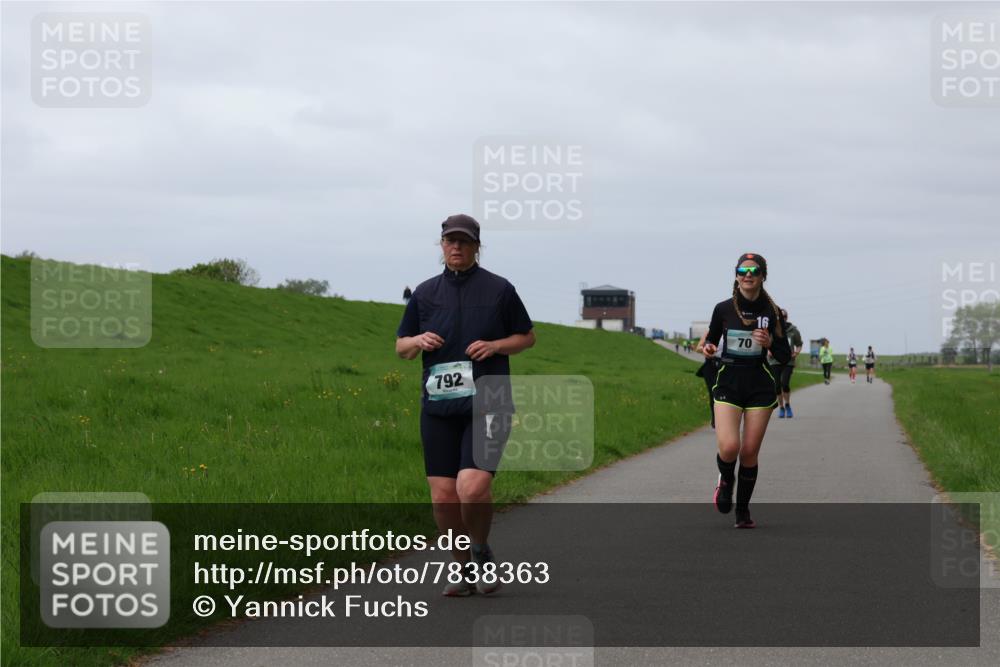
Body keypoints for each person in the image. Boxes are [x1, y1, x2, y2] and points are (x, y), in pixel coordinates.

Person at [395, 214, 535, 596]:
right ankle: (462, 571)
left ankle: (482, 553)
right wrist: (417, 340)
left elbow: (527, 337)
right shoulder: (424, 294)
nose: (456, 247)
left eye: (464, 241)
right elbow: (401, 347)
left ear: (477, 246)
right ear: (441, 245)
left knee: (471, 488)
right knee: (443, 496)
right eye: (449, 241)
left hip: (489, 402)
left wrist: (496, 346)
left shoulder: (499, 290)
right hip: (439, 407)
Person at [701, 252, 791, 529]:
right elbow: (710, 341)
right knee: (730, 446)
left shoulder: (773, 312)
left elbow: (784, 355)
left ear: (763, 276)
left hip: (759, 383)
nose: (748, 275)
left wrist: (769, 344)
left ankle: (742, 511)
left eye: (754, 270)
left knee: (749, 452)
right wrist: (708, 348)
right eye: (743, 270)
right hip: (728, 378)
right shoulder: (723, 309)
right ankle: (726, 480)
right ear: (736, 275)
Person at [768, 308, 802, 418]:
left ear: (786, 318)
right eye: (779, 317)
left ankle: (788, 405)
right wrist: (768, 350)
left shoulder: (793, 330)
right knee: (777, 386)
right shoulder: (771, 328)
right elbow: (766, 341)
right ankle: (781, 407)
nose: (781, 319)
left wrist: (796, 353)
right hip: (774, 360)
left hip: (788, 361)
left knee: (785, 383)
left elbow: (799, 344)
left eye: (784, 317)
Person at [694, 331, 721, 429]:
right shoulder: (708, 333)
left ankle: (725, 418)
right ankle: (714, 418)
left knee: (724, 393)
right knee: (712, 393)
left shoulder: (730, 330)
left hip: (725, 366)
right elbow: (698, 348)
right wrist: (705, 348)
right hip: (710, 366)